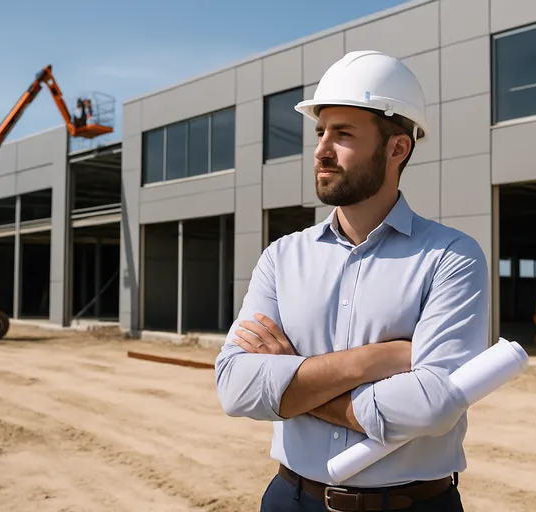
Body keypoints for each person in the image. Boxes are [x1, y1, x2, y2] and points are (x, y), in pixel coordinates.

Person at [214, 50, 489, 511]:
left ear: (397, 148)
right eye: (320, 132)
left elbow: (432, 406)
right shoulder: (282, 257)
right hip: (292, 498)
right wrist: (373, 361)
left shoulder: (451, 257)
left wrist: (296, 380)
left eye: (342, 134)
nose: (321, 149)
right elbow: (235, 386)